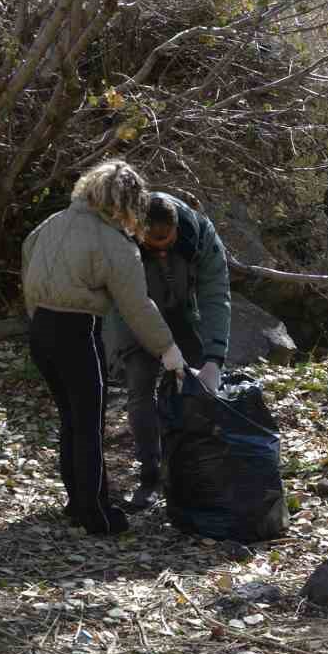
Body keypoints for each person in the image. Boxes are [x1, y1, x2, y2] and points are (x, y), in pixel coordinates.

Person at [23, 160, 186, 535]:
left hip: (41, 329)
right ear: (129, 203)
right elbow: (137, 306)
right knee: (89, 425)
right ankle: (94, 513)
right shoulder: (113, 243)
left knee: (70, 419)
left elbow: (29, 268)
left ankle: (75, 502)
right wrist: (167, 348)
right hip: (75, 332)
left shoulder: (49, 225)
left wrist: (39, 316)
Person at [106, 191, 232, 511]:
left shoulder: (201, 236)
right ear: (138, 231)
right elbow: (119, 304)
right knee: (140, 390)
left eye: (167, 241)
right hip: (135, 317)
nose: (160, 249)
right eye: (152, 244)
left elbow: (215, 294)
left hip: (182, 314)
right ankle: (150, 476)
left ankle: (198, 467)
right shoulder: (120, 239)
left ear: (177, 228)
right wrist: (129, 350)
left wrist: (214, 359)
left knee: (202, 388)